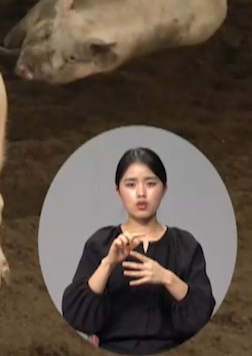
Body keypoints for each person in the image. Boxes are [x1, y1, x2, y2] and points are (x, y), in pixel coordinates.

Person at [61, 146, 217, 354]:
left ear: (164, 189)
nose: (141, 193)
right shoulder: (101, 242)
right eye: (131, 184)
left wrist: (166, 278)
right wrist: (107, 264)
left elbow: (202, 313)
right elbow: (77, 316)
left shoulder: (185, 245)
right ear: (118, 191)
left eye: (151, 184)